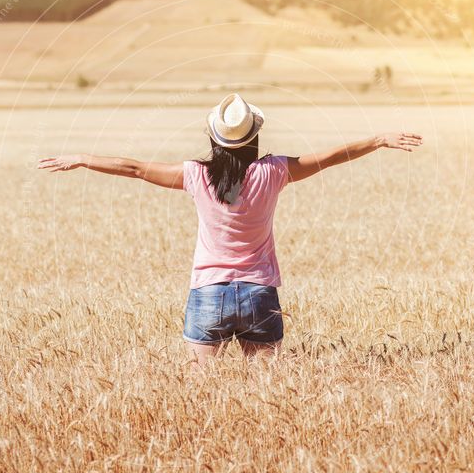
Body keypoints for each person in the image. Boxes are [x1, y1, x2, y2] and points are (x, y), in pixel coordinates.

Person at [38, 93, 422, 366]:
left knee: (197, 403)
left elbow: (135, 168)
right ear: (254, 137)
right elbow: (331, 157)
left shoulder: (194, 174)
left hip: (208, 295)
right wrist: (378, 140)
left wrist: (83, 159)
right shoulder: (274, 171)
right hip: (259, 294)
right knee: (266, 403)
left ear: (214, 139)